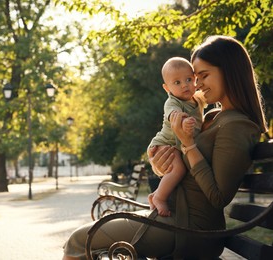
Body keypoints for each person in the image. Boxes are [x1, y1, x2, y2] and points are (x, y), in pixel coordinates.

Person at [62, 35, 267, 260]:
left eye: (203, 76)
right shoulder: (212, 117)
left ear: (229, 71)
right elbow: (186, 164)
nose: (196, 85)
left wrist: (188, 145)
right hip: (174, 217)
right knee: (82, 239)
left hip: (191, 231)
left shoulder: (237, 125)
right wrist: (162, 164)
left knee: (80, 241)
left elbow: (218, 196)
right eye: (195, 78)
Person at [147, 57, 206, 217]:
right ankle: (159, 197)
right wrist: (184, 121)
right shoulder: (172, 102)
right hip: (164, 144)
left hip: (175, 145)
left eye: (188, 79)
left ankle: (157, 194)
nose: (185, 85)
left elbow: (207, 95)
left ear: (195, 79)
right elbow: (173, 115)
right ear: (167, 88)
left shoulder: (197, 99)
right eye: (177, 82)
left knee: (177, 168)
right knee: (178, 169)